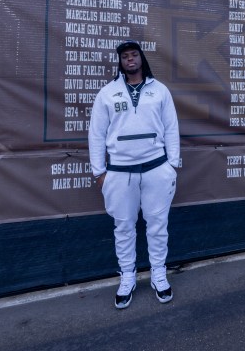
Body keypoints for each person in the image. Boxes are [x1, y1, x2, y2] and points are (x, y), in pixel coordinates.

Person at [88, 39, 180, 309]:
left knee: (157, 225)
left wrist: (171, 165)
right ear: (120, 62)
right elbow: (96, 134)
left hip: (156, 168)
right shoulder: (107, 93)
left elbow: (171, 127)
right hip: (119, 171)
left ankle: (158, 274)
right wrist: (99, 172)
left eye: (134, 54)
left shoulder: (160, 90)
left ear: (141, 58)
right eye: (125, 56)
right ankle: (127, 277)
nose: (130, 59)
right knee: (124, 227)